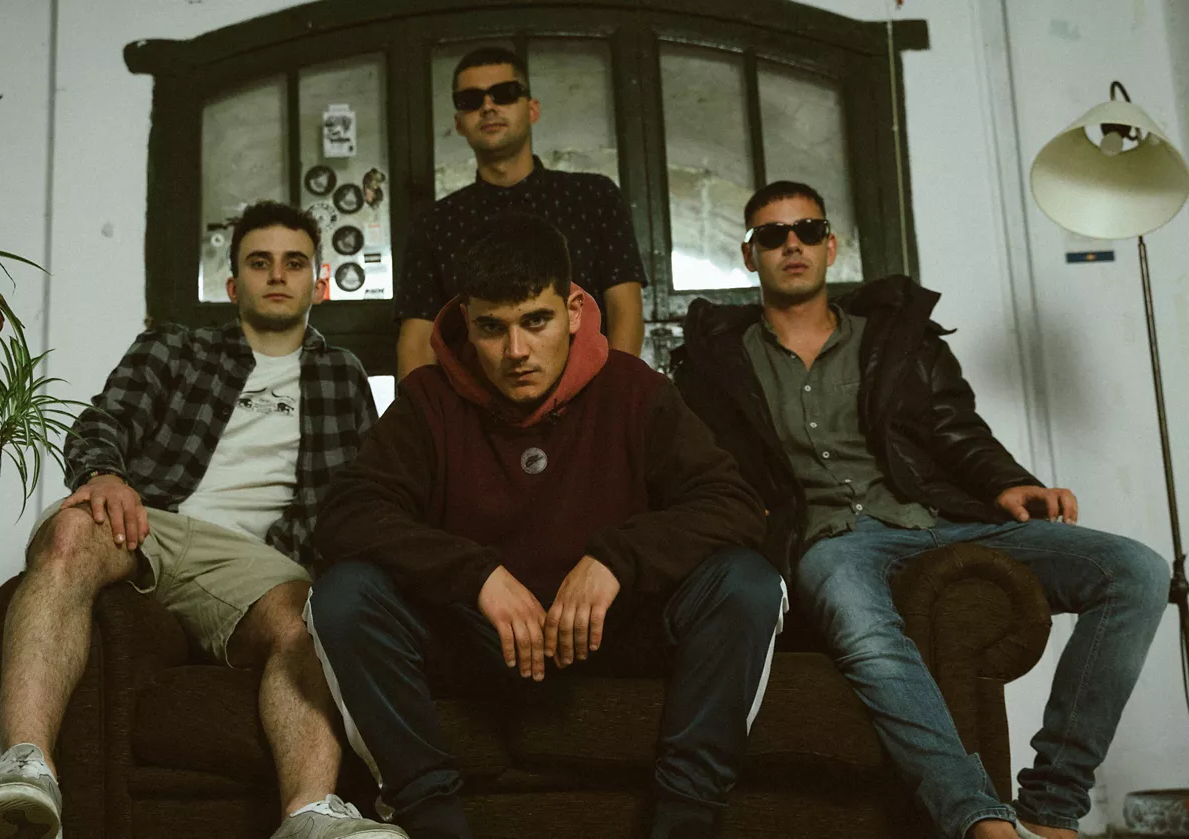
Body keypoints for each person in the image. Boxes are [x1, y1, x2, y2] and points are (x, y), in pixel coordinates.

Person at [672, 180, 1172, 839]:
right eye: (772, 235)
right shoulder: (718, 362)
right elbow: (708, 471)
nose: (791, 244)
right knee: (859, 617)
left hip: (933, 519)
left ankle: (1052, 806)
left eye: (807, 230)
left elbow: (955, 427)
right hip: (830, 543)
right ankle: (979, 818)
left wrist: (1009, 483)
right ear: (749, 255)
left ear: (831, 245)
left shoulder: (896, 338)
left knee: (1136, 570)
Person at [306, 212, 785, 839]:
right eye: (492, 328)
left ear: (575, 312)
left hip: (613, 630)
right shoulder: (428, 401)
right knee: (342, 595)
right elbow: (346, 514)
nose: (516, 352)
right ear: (466, 322)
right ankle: (432, 823)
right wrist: (475, 574)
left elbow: (733, 503)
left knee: (747, 582)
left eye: (536, 321)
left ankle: (685, 825)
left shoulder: (634, 390)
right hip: (477, 639)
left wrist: (616, 558)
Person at [0, 201, 405, 839]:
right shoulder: (176, 347)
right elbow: (105, 420)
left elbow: (361, 492)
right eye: (260, 262)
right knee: (70, 532)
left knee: (307, 618)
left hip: (255, 565)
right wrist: (102, 474)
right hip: (149, 523)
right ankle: (24, 772)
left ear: (318, 282)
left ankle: (309, 815)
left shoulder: (342, 375)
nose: (278, 274)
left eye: (294, 262)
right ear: (233, 284)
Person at [394, 46, 647, 379]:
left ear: (532, 109)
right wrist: (420, 411)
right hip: (470, 406)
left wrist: (613, 396)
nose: (488, 106)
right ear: (458, 122)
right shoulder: (435, 224)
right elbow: (417, 342)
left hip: (590, 397)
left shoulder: (593, 198)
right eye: (471, 100)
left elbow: (625, 310)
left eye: (505, 93)